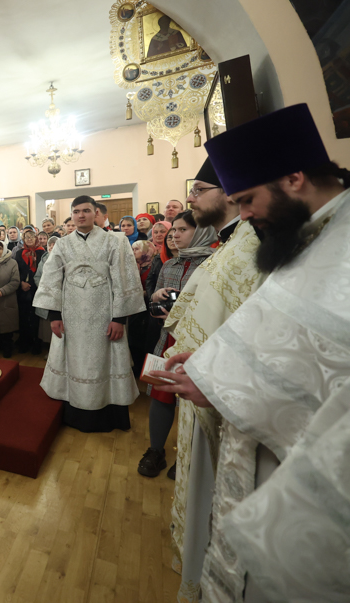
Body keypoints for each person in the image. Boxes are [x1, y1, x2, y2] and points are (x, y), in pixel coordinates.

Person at [153, 103, 350, 602]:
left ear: (294, 178)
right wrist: (209, 369)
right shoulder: (308, 233)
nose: (243, 215)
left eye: (246, 200)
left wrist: (219, 384)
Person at [156, 157, 262, 601]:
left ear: (231, 192)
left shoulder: (251, 246)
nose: (191, 197)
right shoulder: (231, 244)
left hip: (221, 396)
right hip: (199, 382)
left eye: (199, 189)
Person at [33, 196, 146, 432]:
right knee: (74, 359)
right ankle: (73, 413)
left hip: (104, 313)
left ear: (96, 213)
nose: (81, 215)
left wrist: (119, 319)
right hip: (71, 315)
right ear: (72, 215)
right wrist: (54, 316)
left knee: (104, 359)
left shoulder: (114, 241)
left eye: (86, 210)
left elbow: (124, 279)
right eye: (76, 211)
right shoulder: (62, 244)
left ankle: (107, 415)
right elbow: (51, 279)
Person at [137, 210, 215, 478]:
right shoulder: (169, 264)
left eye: (183, 230)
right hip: (167, 337)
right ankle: (156, 450)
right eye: (174, 231)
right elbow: (155, 300)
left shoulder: (213, 263)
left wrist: (181, 312)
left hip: (196, 341)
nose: (175, 235)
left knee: (190, 403)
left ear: (201, 231)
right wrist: (156, 299)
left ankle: (188, 456)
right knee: (161, 394)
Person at [14, 228, 44, 354]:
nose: (30, 239)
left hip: (37, 289)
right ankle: (24, 342)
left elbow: (43, 271)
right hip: (22, 289)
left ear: (36, 238)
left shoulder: (42, 252)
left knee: (36, 317)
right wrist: (21, 283)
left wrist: (31, 284)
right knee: (23, 316)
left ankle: (37, 343)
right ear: (23, 239)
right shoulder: (19, 253)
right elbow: (16, 271)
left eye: (32, 237)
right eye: (27, 237)